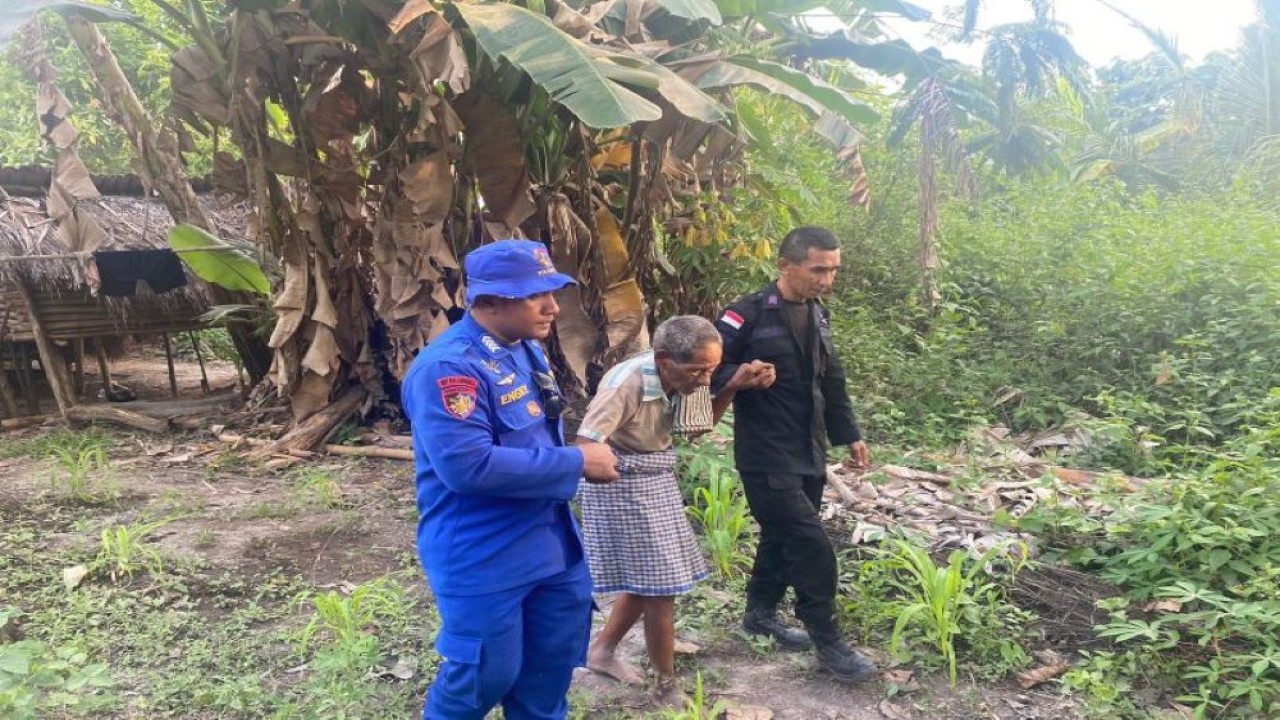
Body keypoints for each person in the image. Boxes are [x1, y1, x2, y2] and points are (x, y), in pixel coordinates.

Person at [402, 239, 621, 719]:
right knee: (482, 680)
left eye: (553, 291)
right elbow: (467, 466)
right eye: (532, 295)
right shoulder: (449, 368)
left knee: (548, 678)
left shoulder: (524, 348)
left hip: (551, 545)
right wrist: (577, 462)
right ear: (488, 302)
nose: (550, 306)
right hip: (484, 554)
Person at [710, 226, 878, 683]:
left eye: (834, 270)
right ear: (785, 265)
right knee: (810, 544)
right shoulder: (745, 314)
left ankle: (760, 615)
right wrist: (739, 374)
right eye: (819, 269)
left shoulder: (818, 315)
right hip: (765, 452)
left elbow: (832, 379)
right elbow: (703, 366)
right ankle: (829, 643)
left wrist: (849, 434)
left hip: (809, 448)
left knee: (780, 537)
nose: (827, 279)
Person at [576, 316, 771, 706]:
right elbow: (586, 444)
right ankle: (666, 686)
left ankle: (602, 651)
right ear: (664, 360)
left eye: (712, 369)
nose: (704, 378)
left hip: (656, 475)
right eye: (699, 370)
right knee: (661, 589)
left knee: (646, 581)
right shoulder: (625, 384)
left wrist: (730, 385)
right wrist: (617, 476)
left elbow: (697, 426)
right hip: (621, 481)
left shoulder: (691, 376)